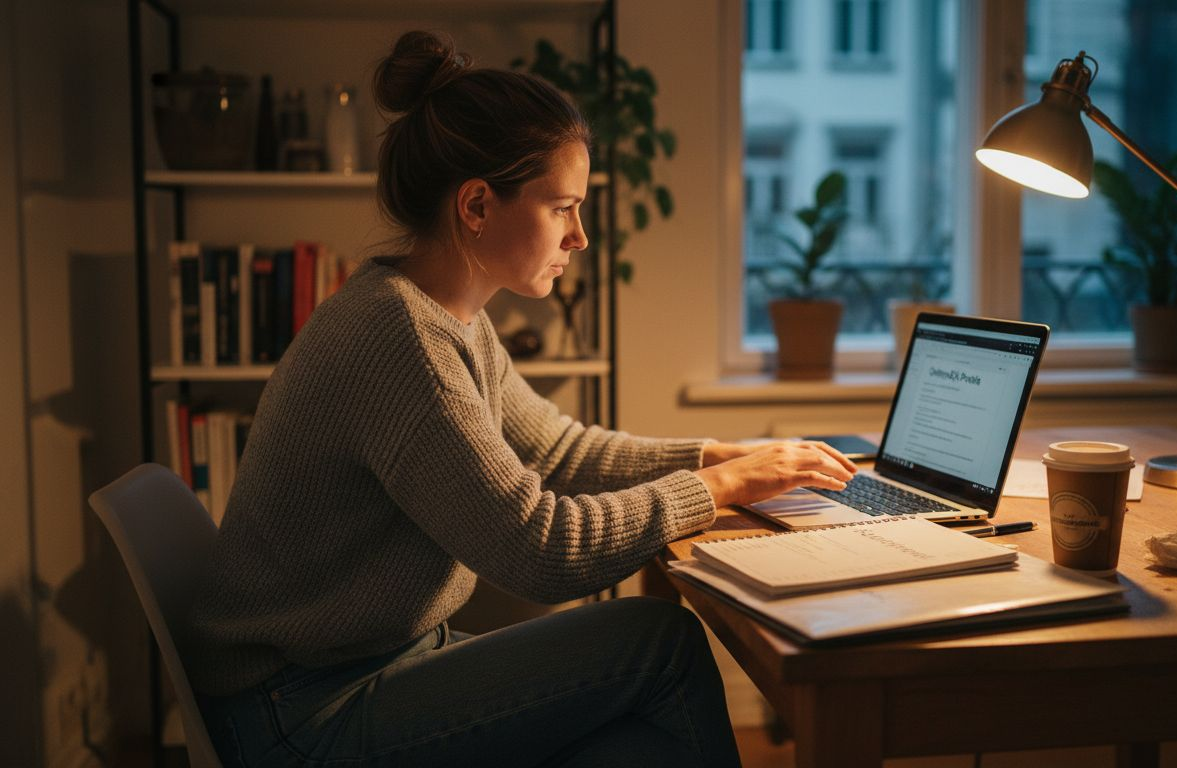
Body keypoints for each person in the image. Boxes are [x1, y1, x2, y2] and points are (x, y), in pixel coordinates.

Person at [186, 30, 856, 768]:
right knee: (658, 643)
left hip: (369, 667)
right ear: (477, 204)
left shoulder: (444, 317)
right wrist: (716, 487)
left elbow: (558, 450)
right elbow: (541, 551)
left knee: (638, 739)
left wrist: (716, 454)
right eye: (563, 207)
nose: (580, 237)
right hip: (303, 711)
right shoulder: (398, 335)